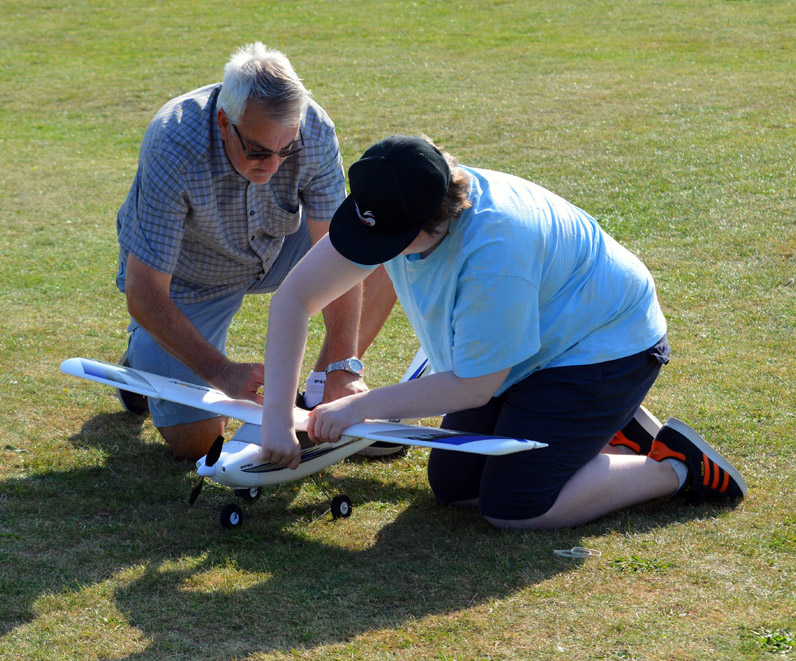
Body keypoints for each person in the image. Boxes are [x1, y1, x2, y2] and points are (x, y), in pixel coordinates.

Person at [258, 135, 746, 530]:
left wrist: (360, 406)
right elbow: (294, 299)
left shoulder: (495, 251)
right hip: (526, 349)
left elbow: (476, 384)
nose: (370, 250)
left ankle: (675, 466)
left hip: (603, 344)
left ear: (432, 219)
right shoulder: (394, 197)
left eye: (383, 241)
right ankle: (601, 425)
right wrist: (278, 416)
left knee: (516, 506)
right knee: (456, 488)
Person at [114, 43, 396, 460]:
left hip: (279, 247)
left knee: (381, 242)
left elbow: (343, 251)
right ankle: (143, 363)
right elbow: (144, 292)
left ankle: (320, 398)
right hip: (191, 278)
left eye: (287, 150)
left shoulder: (314, 130)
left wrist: (342, 363)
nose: (274, 165)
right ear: (225, 122)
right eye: (259, 151)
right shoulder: (173, 142)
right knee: (201, 443)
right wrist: (220, 372)